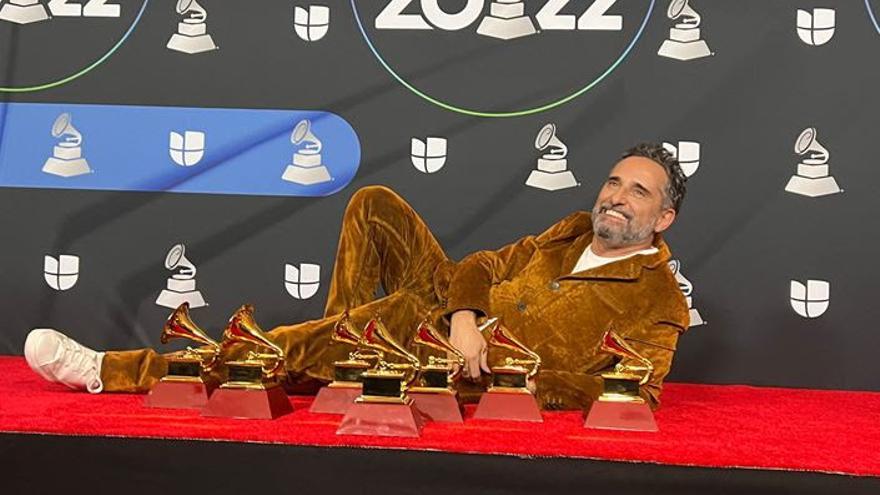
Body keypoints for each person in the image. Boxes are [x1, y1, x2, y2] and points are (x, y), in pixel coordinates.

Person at [24, 142, 690, 410]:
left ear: (662, 218)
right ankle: (340, 359)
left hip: (466, 360)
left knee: (292, 345)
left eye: (637, 191)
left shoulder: (658, 297)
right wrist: (463, 317)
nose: (615, 196)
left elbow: (642, 390)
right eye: (613, 181)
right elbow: (484, 266)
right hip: (449, 312)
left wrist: (519, 373)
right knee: (374, 204)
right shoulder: (569, 229)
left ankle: (112, 369)